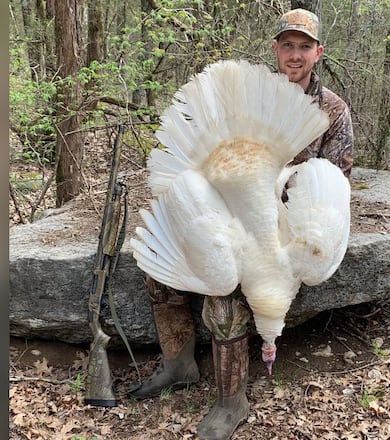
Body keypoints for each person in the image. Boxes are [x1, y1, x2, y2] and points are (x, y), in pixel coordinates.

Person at [127, 8, 353, 440]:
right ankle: (178, 364)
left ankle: (231, 402)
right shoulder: (251, 95)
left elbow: (337, 179)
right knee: (162, 274)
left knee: (224, 297)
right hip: (228, 208)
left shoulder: (332, 109)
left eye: (304, 47)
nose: (295, 54)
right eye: (288, 45)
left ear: (318, 52)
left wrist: (281, 216)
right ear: (276, 49)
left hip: (284, 232)